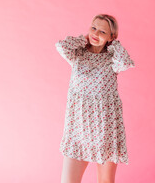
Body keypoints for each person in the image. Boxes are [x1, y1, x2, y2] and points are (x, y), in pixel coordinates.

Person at [55, 14, 135, 183]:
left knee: (106, 181)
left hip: (105, 130)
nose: (96, 34)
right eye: (93, 28)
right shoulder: (78, 54)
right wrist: (83, 40)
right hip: (78, 128)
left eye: (102, 32)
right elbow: (61, 46)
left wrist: (114, 44)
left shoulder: (112, 58)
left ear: (111, 37)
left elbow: (125, 62)